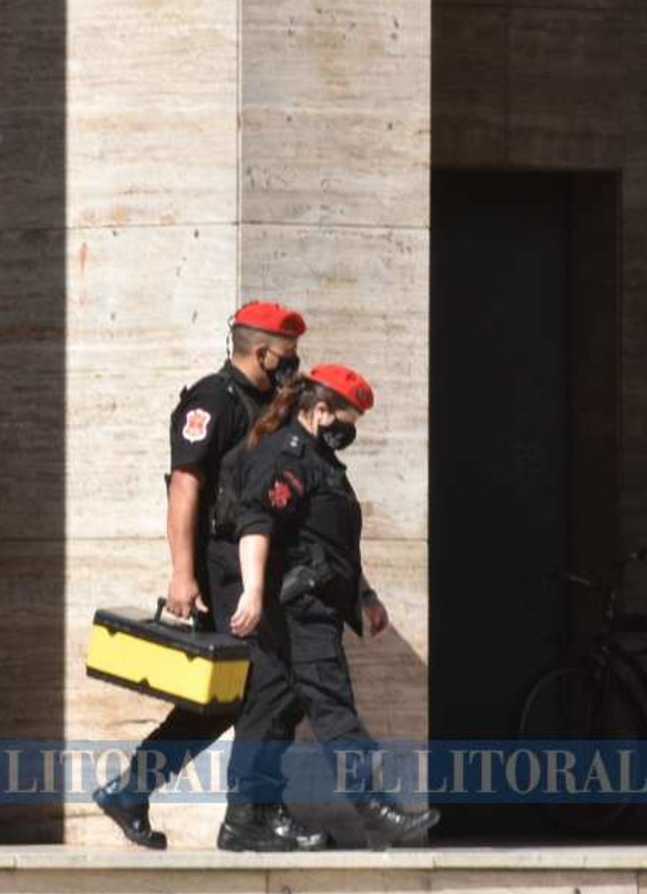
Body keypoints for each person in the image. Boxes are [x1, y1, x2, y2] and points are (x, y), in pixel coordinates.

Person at [93, 300, 318, 850]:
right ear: (261, 352)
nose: (292, 363)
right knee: (270, 684)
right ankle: (252, 815)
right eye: (286, 354)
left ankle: (131, 790)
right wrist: (182, 574)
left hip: (261, 562)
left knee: (226, 696)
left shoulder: (271, 404)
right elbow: (185, 486)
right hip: (227, 565)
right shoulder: (214, 400)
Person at [221, 365, 440, 850]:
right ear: (320, 411)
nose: (350, 432)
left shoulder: (320, 461)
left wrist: (365, 596)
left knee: (273, 710)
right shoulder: (287, 456)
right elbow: (256, 523)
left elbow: (330, 542)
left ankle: (244, 819)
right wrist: (252, 591)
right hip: (300, 610)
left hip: (315, 603)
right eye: (347, 420)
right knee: (333, 709)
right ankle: (377, 813)